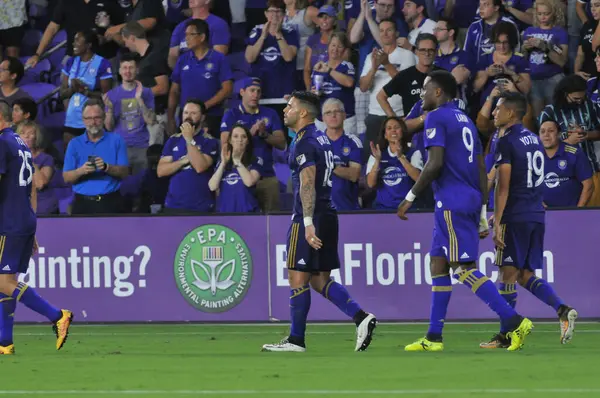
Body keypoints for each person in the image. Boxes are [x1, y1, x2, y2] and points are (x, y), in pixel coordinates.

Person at [397, 71, 533, 352]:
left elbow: (434, 164)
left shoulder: (436, 117)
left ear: (438, 92)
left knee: (463, 268)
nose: (421, 95)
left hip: (451, 200)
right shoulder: (466, 120)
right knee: (438, 262)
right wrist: (483, 211)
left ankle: (514, 320)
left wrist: (410, 195)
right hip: (467, 197)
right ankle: (433, 337)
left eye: (425, 89)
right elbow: (481, 166)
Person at [261, 91, 376, 353]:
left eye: (289, 106)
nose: (284, 110)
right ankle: (361, 317)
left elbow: (308, 183)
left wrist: (308, 222)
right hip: (329, 212)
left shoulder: (304, 142)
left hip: (309, 216)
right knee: (318, 278)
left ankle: (295, 340)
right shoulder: (322, 138)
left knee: (297, 276)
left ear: (303, 112)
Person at [481, 92, 578, 349]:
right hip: (536, 214)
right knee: (524, 274)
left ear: (511, 113)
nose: (494, 113)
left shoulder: (506, 141)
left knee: (507, 274)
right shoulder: (534, 139)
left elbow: (504, 186)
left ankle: (506, 335)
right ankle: (562, 309)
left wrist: (498, 220)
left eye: (498, 108)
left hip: (516, 214)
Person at [0, 101, 73, 355]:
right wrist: (31, 223)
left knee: (3, 281)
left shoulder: (2, 142)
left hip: (8, 221)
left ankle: (57, 315)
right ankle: (5, 343)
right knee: (6, 281)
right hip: (22, 219)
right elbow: (31, 185)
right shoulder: (20, 143)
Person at [220, 77, 287, 213]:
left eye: (258, 91)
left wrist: (264, 134)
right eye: (251, 91)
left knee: (273, 220)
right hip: (240, 175)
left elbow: (281, 143)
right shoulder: (231, 114)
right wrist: (250, 133)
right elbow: (225, 145)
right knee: (244, 221)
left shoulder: (270, 113)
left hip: (266, 175)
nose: (255, 95)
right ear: (242, 92)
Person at [168, 19, 233, 139]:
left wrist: (203, 107)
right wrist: (170, 117)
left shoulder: (219, 59)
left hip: (212, 116)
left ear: (202, 37)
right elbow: (174, 90)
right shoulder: (182, 59)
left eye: (190, 34)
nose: (186, 38)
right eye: (185, 35)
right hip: (186, 118)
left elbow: (227, 89)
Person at [62, 99, 130, 215]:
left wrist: (106, 167)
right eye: (88, 118)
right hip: (82, 203)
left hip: (110, 202)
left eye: (97, 117)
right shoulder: (74, 143)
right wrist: (81, 171)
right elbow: (66, 177)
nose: (93, 122)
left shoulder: (117, 140)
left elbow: (124, 173)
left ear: (103, 118)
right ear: (83, 120)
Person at [158, 99, 219, 213]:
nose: (188, 116)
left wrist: (189, 139)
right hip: (173, 205)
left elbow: (200, 167)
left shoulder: (209, 141)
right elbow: (161, 171)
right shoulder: (173, 140)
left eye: (193, 113)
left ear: (202, 117)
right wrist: (183, 161)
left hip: (200, 206)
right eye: (185, 113)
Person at [104, 52, 156, 175]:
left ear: (137, 70)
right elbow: (109, 127)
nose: (128, 71)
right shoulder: (112, 95)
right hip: (120, 147)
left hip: (142, 146)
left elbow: (151, 121)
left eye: (131, 68)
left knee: (141, 185)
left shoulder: (146, 92)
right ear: (120, 71)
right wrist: (110, 110)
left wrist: (140, 100)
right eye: (125, 68)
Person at [60, 30, 113, 149]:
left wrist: (85, 91)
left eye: (77, 40)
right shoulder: (70, 62)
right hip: (71, 120)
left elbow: (107, 97)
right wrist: (73, 89)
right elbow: (62, 94)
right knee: (71, 161)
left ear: (88, 45)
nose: (73, 43)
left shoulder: (102, 63)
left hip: (93, 121)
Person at [366, 116, 422, 209]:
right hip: (383, 209)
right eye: (389, 128)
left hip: (409, 209)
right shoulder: (376, 154)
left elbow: (419, 179)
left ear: (402, 132)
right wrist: (377, 161)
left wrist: (401, 157)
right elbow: (371, 184)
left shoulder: (413, 152)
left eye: (397, 127)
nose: (393, 131)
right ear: (385, 135)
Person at [209, 123, 262, 213]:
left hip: (247, 213)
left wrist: (237, 161)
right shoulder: (223, 162)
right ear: (230, 140)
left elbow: (249, 182)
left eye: (244, 137)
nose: (240, 140)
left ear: (248, 141)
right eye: (235, 136)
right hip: (224, 213)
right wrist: (223, 163)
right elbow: (212, 186)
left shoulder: (255, 160)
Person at [540, 120, 594, 207]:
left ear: (559, 134)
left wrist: (577, 212)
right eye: (542, 131)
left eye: (551, 131)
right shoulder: (533, 157)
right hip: (542, 215)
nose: (546, 135)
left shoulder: (574, 154)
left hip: (571, 214)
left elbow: (589, 185)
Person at [322, 98, 363, 211]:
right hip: (320, 211)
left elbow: (354, 175)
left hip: (347, 209)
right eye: (328, 113)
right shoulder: (315, 142)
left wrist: (328, 163)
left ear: (344, 115)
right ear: (323, 118)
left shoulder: (353, 142)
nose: (333, 115)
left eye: (337, 111)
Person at [168, 0, 231, 69]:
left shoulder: (218, 24)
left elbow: (218, 56)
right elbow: (173, 55)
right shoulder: (180, 26)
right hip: (184, 72)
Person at [17, 121, 59, 215]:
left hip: (43, 208)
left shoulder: (46, 158)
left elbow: (40, 184)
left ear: (36, 137)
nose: (26, 136)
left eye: (30, 133)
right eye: (22, 133)